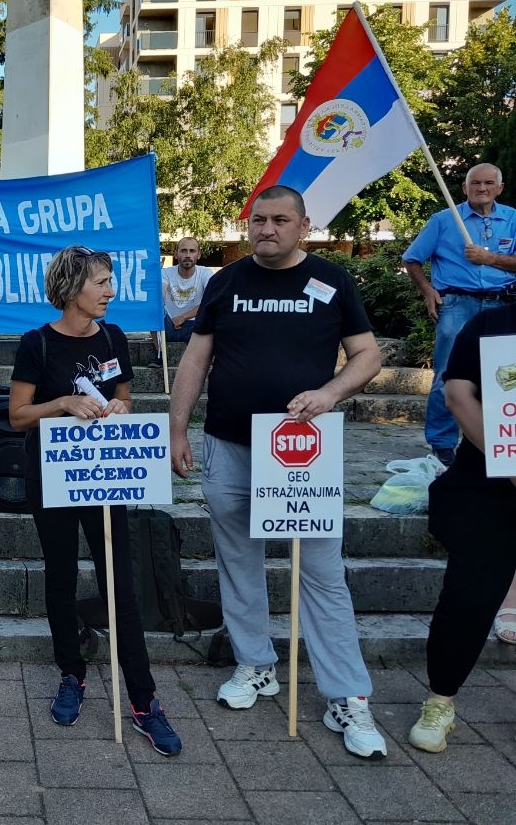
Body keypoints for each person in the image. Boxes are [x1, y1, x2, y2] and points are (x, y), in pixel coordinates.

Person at [169, 185, 386, 760]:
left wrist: (331, 391)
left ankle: (348, 696)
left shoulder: (333, 281)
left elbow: (368, 355)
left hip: (302, 451)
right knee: (238, 560)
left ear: (303, 226)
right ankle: (255, 666)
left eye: (279, 220)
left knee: (321, 570)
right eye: (258, 220)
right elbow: (196, 357)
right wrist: (177, 427)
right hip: (229, 444)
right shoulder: (226, 282)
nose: (267, 229)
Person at [9, 245, 182, 755]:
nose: (110, 291)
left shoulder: (113, 337)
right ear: (71, 288)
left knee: (120, 584)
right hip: (54, 477)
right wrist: (63, 402)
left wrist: (121, 406)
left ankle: (145, 700)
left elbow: (125, 394)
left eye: (111, 281)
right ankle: (71, 673)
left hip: (105, 475)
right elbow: (18, 415)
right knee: (60, 576)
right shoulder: (36, 343)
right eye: (101, 282)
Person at [408, 303, 516, 753]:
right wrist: (507, 459)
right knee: (469, 598)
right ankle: (441, 700)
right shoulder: (492, 322)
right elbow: (458, 393)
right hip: (488, 485)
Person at [403, 163, 516, 468]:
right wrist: (428, 290)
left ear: (499, 188)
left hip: (501, 305)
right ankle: (441, 444)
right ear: (464, 188)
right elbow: (411, 259)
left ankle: (496, 440)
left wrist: (490, 258)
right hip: (456, 305)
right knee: (448, 375)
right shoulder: (443, 220)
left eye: (489, 183)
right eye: (475, 183)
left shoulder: (513, 219)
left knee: (504, 378)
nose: (482, 188)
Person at [161, 237, 212, 342]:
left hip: (196, 326)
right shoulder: (166, 273)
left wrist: (183, 317)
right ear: (176, 254)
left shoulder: (205, 273)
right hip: (169, 325)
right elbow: (160, 297)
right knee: (153, 312)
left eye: (192, 251)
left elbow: (210, 301)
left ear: (198, 254)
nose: (188, 255)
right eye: (183, 251)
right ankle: (160, 354)